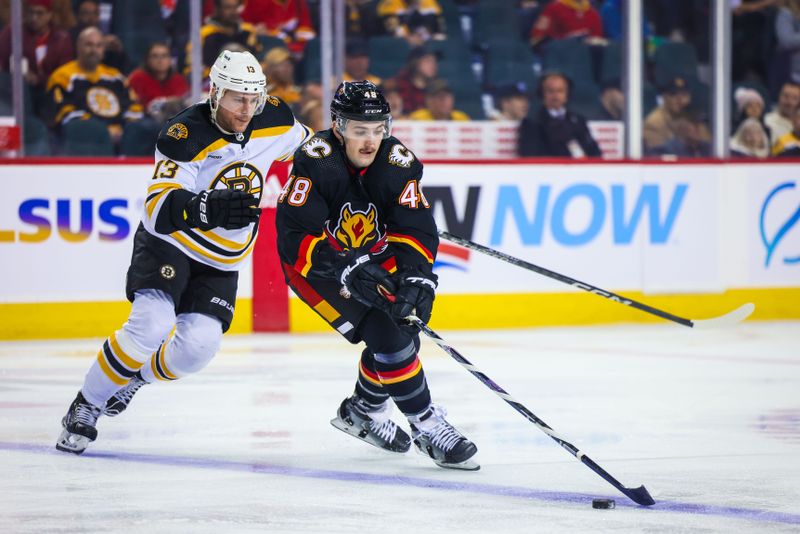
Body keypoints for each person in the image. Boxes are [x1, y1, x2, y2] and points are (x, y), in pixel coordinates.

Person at [55, 50, 313, 455]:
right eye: (236, 98)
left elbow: (315, 155)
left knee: (198, 347)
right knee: (151, 325)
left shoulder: (276, 118)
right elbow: (158, 209)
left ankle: (134, 379)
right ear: (215, 94)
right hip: (169, 245)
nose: (246, 109)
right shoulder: (184, 133)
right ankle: (86, 405)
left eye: (253, 99)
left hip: (222, 259)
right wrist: (206, 207)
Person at [275, 80, 479, 470]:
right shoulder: (315, 162)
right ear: (338, 127)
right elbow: (295, 236)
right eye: (359, 130)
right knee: (387, 335)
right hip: (316, 266)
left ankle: (364, 410)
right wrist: (345, 266)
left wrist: (417, 276)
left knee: (404, 323)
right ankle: (426, 424)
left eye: (378, 129)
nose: (370, 141)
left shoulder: (397, 162)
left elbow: (414, 226)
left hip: (372, 255)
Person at [45, 26, 142, 148]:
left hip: (120, 135)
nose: (94, 50)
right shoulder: (62, 76)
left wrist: (125, 129)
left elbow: (134, 106)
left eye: (98, 46)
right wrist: (102, 131)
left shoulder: (115, 77)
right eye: (89, 45)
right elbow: (65, 112)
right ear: (78, 47)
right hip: (84, 140)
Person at [517, 71, 601, 157]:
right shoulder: (531, 123)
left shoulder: (579, 120)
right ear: (542, 94)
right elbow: (529, 156)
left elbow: (595, 153)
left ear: (567, 94)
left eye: (560, 91)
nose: (555, 96)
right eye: (550, 91)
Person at [0, 0, 74, 94]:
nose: (34, 18)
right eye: (31, 12)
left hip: (51, 92)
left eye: (40, 13)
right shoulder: (12, 32)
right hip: (17, 91)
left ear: (49, 14)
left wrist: (38, 79)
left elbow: (65, 73)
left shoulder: (62, 38)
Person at [187, 0, 261, 78]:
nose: (233, 12)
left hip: (247, 82)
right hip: (213, 83)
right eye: (228, 8)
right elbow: (190, 69)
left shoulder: (248, 31)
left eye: (235, 7)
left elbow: (260, 59)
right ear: (217, 9)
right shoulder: (203, 34)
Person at [643, 76, 710, 153]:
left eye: (684, 94)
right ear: (664, 97)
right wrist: (682, 140)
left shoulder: (691, 117)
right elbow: (657, 155)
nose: (680, 100)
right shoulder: (653, 123)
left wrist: (697, 140)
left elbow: (710, 146)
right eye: (674, 94)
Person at [127, 42, 189, 124]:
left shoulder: (179, 80)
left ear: (170, 60)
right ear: (147, 60)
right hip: (146, 121)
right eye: (155, 56)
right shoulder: (137, 78)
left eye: (164, 56)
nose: (160, 60)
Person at [240, 0, 315, 58]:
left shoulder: (298, 2)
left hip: (295, 47)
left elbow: (306, 27)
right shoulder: (256, 2)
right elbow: (243, 23)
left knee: (316, 46)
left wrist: (299, 42)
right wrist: (256, 30)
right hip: (267, 45)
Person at [529, 0, 604, 48]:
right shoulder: (553, 8)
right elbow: (538, 36)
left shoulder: (593, 14)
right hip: (559, 55)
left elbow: (597, 39)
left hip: (585, 59)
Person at [377, 0, 446, 47]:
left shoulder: (430, 3)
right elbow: (394, 34)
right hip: (400, 51)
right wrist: (409, 38)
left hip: (427, 48)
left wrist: (426, 39)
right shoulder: (390, 4)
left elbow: (440, 34)